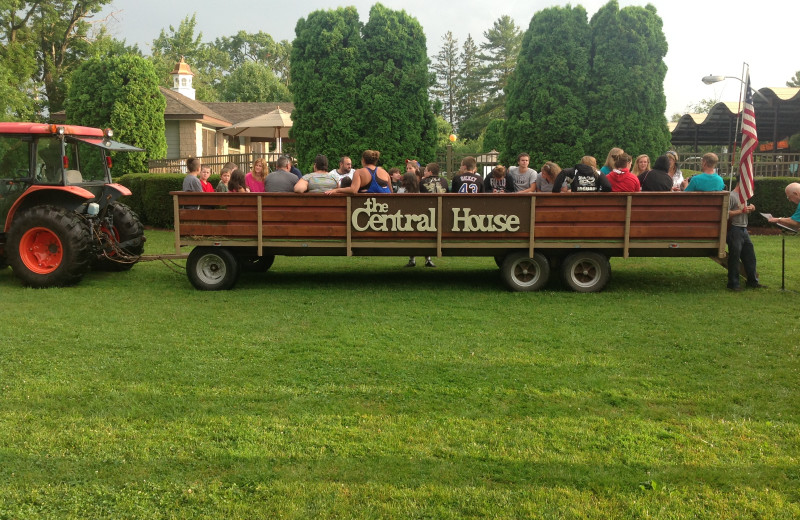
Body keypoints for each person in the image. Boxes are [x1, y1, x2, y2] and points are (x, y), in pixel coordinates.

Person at [726, 186, 765, 291]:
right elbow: (726, 214)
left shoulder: (744, 196)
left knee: (750, 256)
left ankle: (752, 281)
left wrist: (751, 208)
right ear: (740, 183)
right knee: (735, 256)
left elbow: (743, 211)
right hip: (734, 229)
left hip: (744, 229)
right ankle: (733, 284)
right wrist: (741, 211)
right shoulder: (731, 196)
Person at [399, 172, 435, 268]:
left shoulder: (401, 190)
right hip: (420, 219)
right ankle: (428, 259)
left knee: (411, 238)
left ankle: (412, 259)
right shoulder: (420, 190)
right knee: (424, 238)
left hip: (405, 219)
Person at [325, 150, 392, 194]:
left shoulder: (359, 172)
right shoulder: (385, 172)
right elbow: (391, 192)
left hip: (368, 208)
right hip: (385, 207)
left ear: (363, 160)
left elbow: (353, 190)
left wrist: (336, 190)